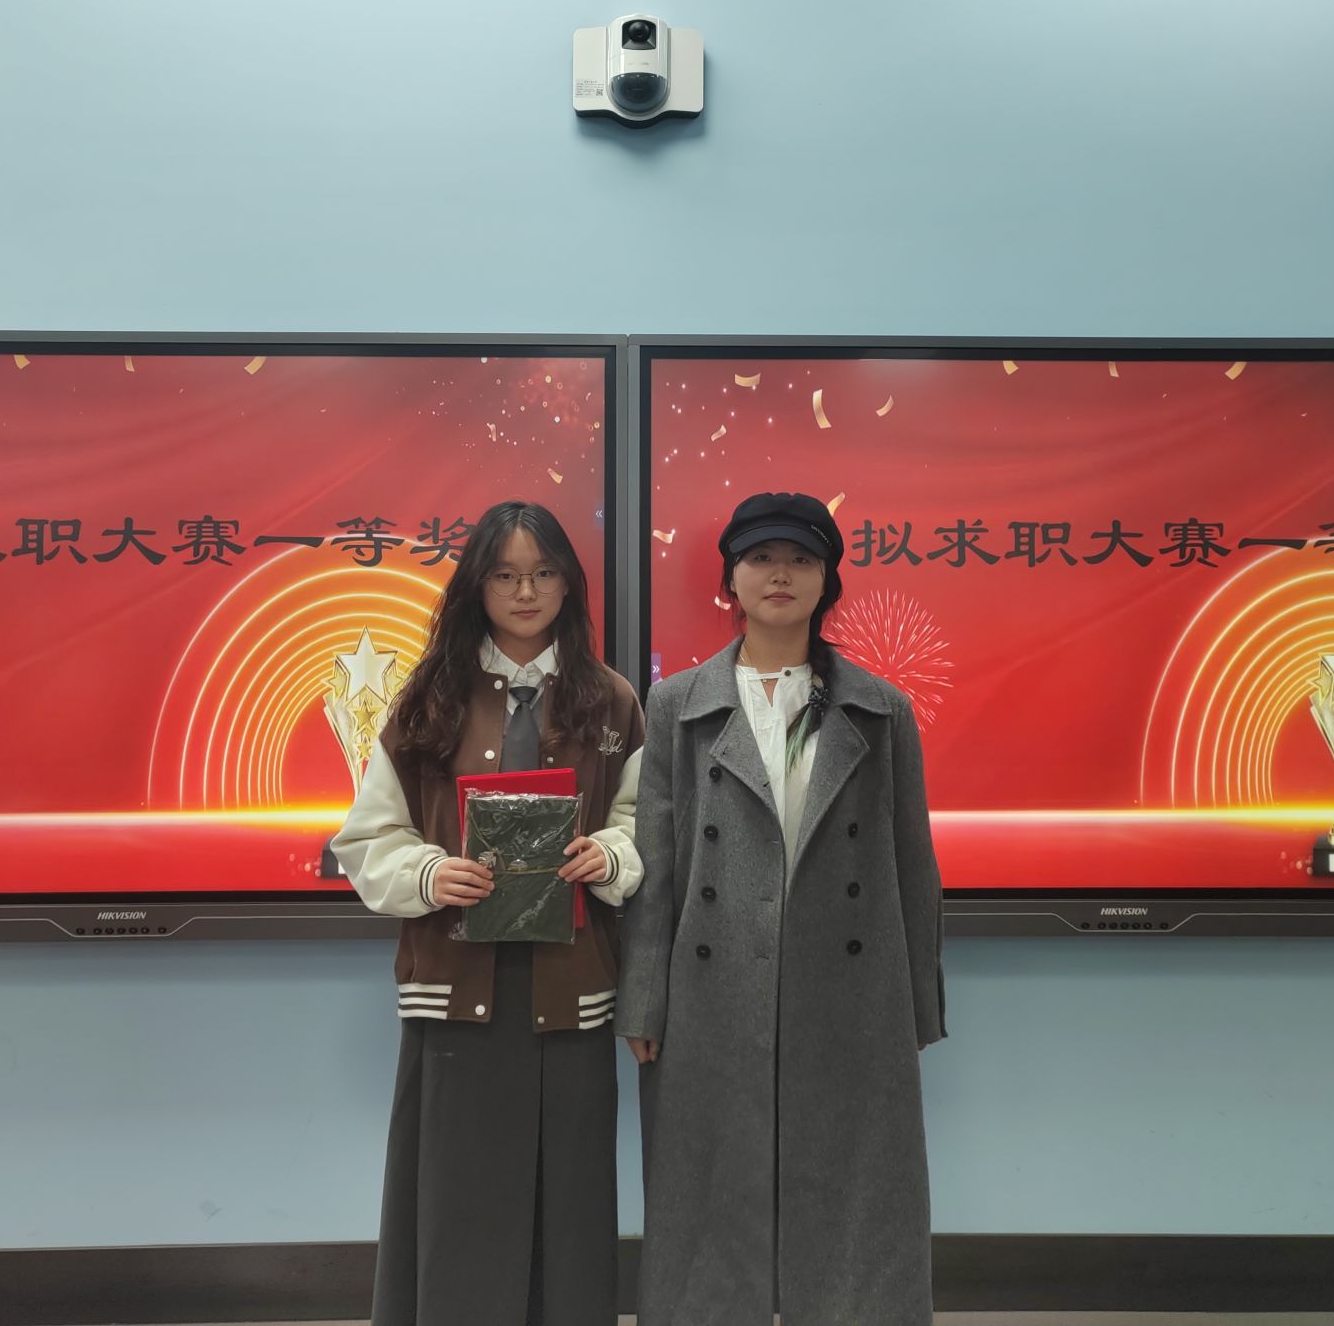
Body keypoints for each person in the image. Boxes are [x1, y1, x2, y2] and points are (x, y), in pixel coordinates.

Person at [615, 490, 945, 1326]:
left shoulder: (882, 708)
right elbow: (658, 863)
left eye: (801, 559)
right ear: (730, 577)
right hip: (711, 984)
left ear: (828, 579)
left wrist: (916, 1003)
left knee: (855, 1183)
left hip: (851, 984)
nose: (780, 574)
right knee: (707, 1186)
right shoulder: (678, 704)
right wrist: (643, 999)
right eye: (761, 558)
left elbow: (913, 862)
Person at [330, 500, 645, 1326]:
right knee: (456, 1205)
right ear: (477, 586)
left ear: (569, 585)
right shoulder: (426, 699)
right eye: (505, 575)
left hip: (570, 992)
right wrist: (431, 873)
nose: (525, 592)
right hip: (456, 992)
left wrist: (610, 856)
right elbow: (367, 838)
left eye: (543, 574)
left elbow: (648, 823)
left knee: (570, 1206)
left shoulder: (611, 701)